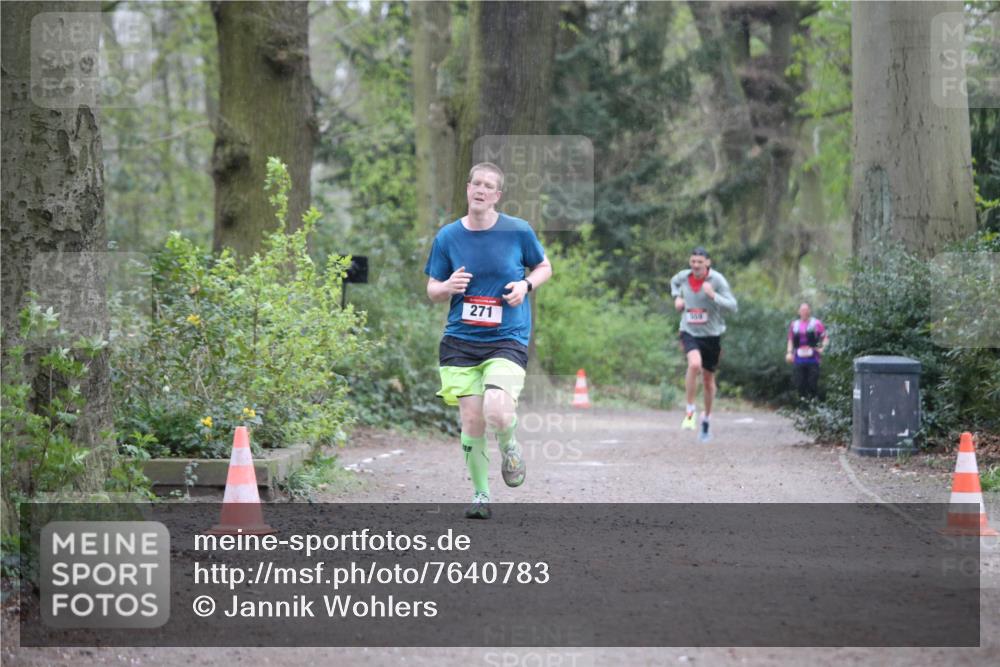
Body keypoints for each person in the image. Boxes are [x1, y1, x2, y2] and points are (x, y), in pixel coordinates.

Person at [424, 162, 552, 519]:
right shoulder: (448, 237)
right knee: (472, 420)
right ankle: (481, 495)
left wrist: (526, 285)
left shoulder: (517, 231)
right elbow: (432, 288)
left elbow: (544, 267)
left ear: (497, 196)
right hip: (460, 341)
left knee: (496, 409)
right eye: (475, 183)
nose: (480, 189)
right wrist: (448, 286)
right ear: (467, 189)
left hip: (506, 338)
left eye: (488, 186)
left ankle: (509, 444)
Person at [670, 247, 738, 442]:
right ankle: (690, 409)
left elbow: (733, 306)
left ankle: (706, 418)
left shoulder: (717, 280)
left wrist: (713, 296)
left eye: (700, 262)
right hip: (689, 331)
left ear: (708, 263)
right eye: (693, 262)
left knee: (708, 381)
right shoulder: (683, 276)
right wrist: (678, 297)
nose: (696, 265)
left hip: (712, 336)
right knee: (694, 364)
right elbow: (673, 282)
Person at [785, 302, 829, 400]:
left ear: (809, 311)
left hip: (813, 359)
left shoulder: (816, 323)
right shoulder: (794, 325)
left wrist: (822, 348)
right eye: (802, 310)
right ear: (799, 312)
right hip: (798, 359)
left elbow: (825, 337)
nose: (804, 312)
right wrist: (789, 352)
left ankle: (813, 407)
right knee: (800, 384)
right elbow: (790, 339)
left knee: (812, 384)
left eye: (806, 310)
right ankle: (802, 406)